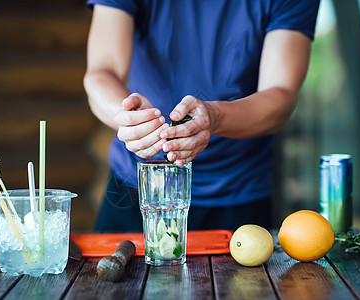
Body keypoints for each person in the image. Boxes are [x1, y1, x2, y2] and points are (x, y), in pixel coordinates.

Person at [84, 0, 320, 232]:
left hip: (238, 192)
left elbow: (281, 95)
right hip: (138, 188)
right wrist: (128, 117)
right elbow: (102, 72)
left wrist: (216, 117)